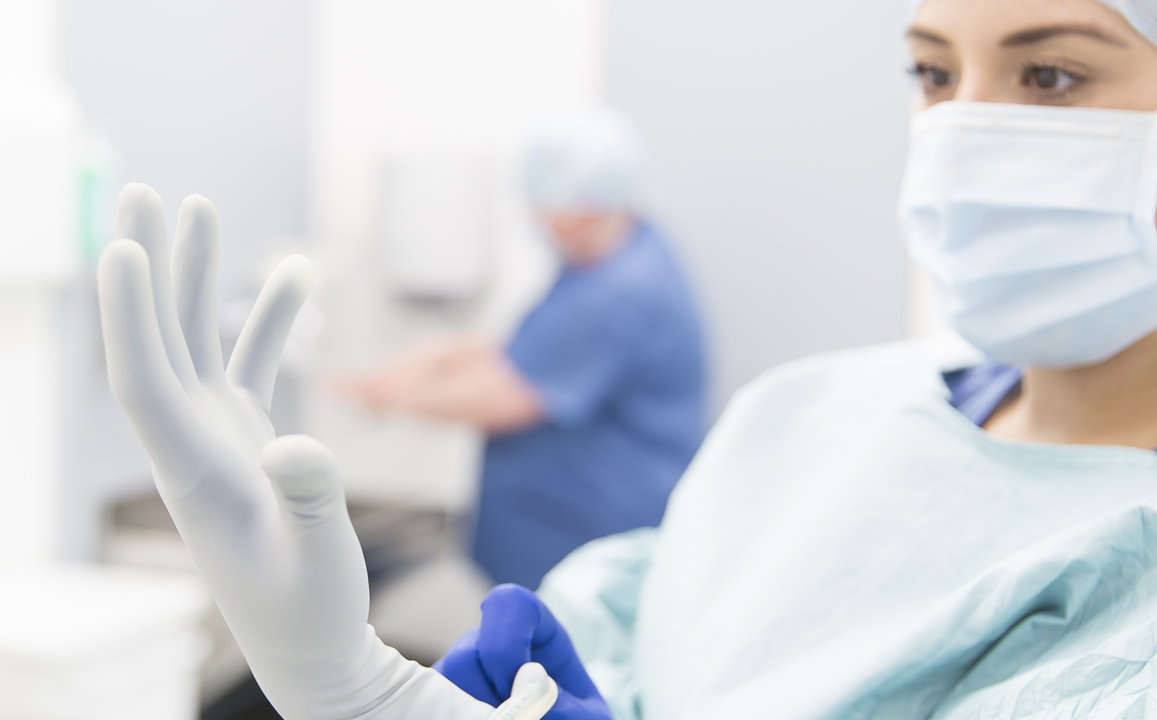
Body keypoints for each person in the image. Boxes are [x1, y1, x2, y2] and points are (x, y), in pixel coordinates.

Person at [94, 0, 1157, 717]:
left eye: (1052, 74)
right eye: (930, 71)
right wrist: (365, 692)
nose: (961, 131)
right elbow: (504, 356)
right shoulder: (815, 411)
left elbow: (511, 387)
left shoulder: (1124, 598)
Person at [338, 109, 706, 590]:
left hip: (582, 529)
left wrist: (389, 395)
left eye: (542, 204)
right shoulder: (618, 252)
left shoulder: (618, 294)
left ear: (583, 210)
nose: (536, 218)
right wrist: (436, 354)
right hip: (566, 519)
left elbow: (507, 398)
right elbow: (536, 346)